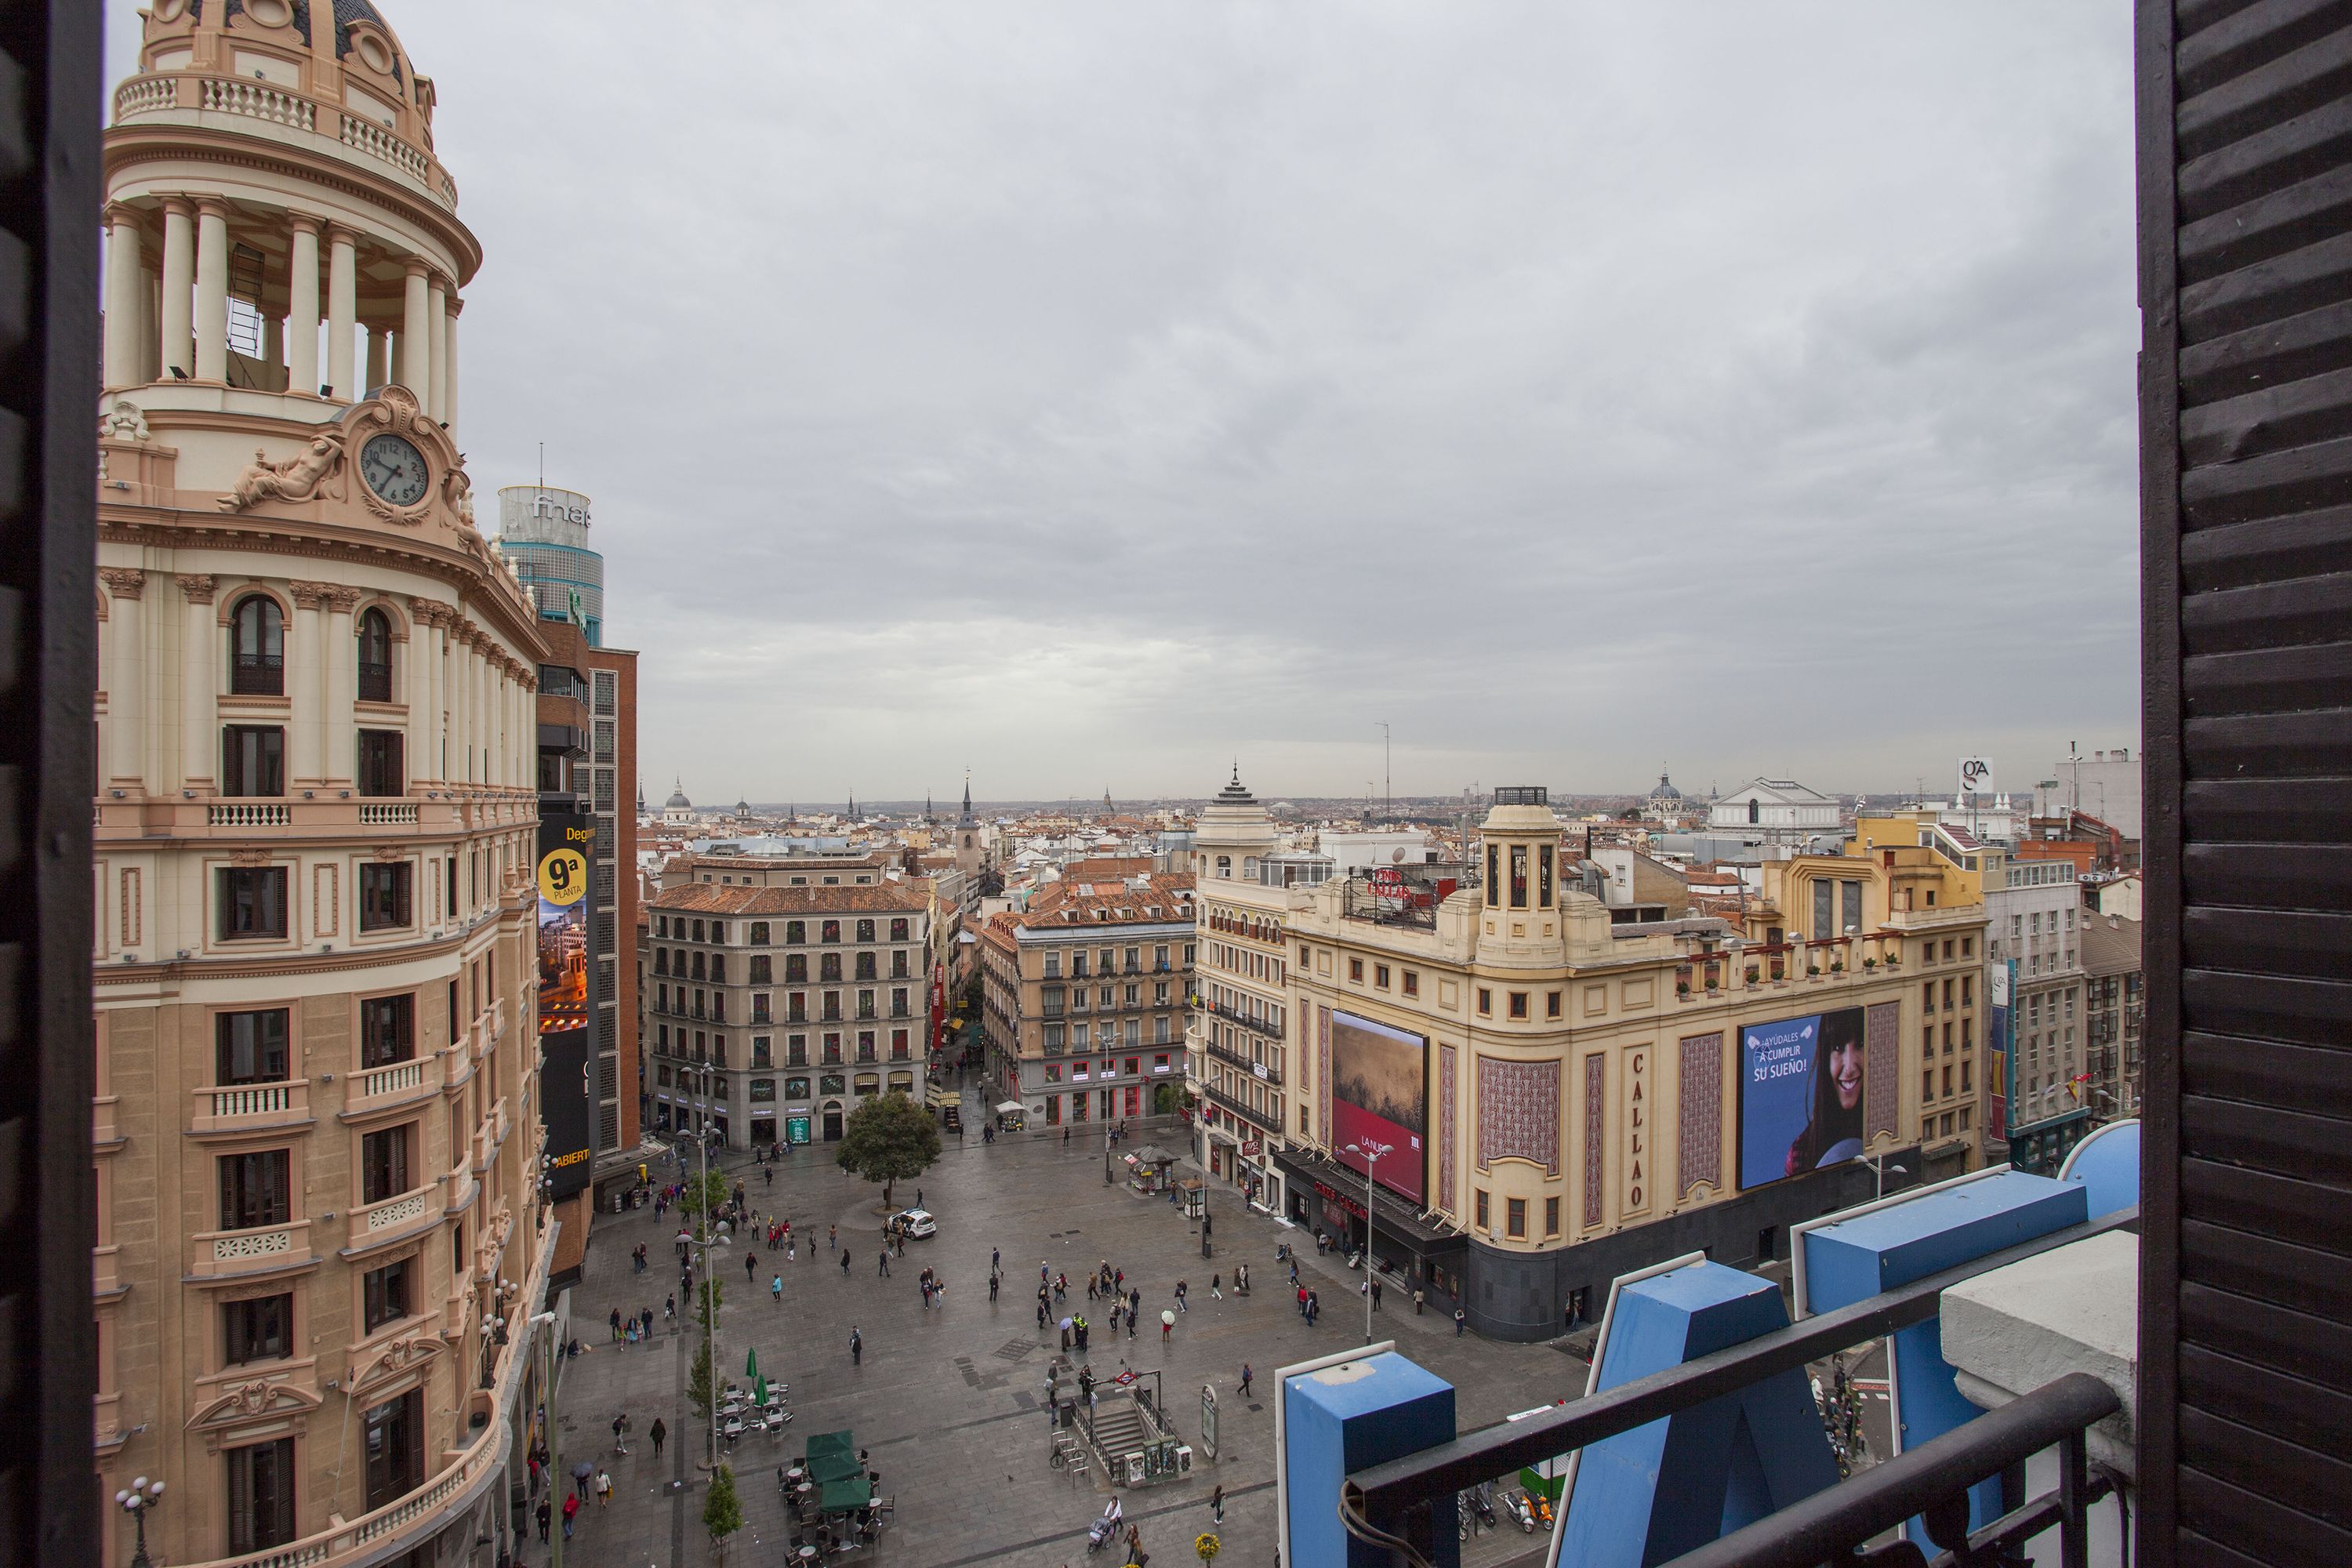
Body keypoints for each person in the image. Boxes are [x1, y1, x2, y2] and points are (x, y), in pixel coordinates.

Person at [1785, 1009, 1868, 1174]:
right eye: (1838, 1047)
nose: (1850, 1067)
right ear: (1825, 1058)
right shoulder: (1800, 1153)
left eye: (1860, 1044)